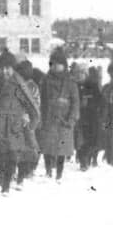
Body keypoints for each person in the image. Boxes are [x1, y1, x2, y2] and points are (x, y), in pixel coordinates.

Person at [0, 51, 40, 195]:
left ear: (13, 68)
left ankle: (6, 185)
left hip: (14, 127)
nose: (4, 71)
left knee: (11, 156)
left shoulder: (18, 84)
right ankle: (2, 178)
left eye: (8, 68)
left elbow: (32, 105)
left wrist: (31, 123)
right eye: (1, 68)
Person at [38, 49, 80, 182]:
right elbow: (40, 98)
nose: (56, 66)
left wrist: (72, 118)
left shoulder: (70, 82)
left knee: (62, 149)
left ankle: (59, 174)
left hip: (64, 120)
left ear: (64, 65)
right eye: (53, 64)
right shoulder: (45, 80)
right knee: (47, 147)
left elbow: (75, 102)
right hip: (48, 118)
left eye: (59, 64)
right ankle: (48, 170)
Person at [76, 65, 104, 169]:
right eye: (78, 73)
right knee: (80, 141)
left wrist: (89, 104)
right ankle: (83, 161)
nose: (79, 75)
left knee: (92, 140)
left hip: (92, 117)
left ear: (86, 74)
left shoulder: (93, 85)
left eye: (81, 73)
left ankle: (91, 159)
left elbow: (100, 100)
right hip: (79, 117)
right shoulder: (75, 86)